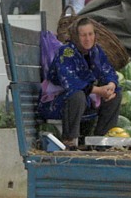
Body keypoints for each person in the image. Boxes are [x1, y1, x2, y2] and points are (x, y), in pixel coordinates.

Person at [38, 17, 122, 148]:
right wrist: (99, 91)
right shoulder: (66, 52)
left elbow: (108, 71)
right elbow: (71, 83)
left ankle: (101, 141)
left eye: (90, 34)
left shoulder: (96, 51)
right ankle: (69, 139)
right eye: (83, 35)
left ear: (95, 35)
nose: (87, 39)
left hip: (84, 101)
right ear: (76, 37)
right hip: (57, 103)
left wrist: (111, 85)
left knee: (116, 95)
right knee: (77, 95)